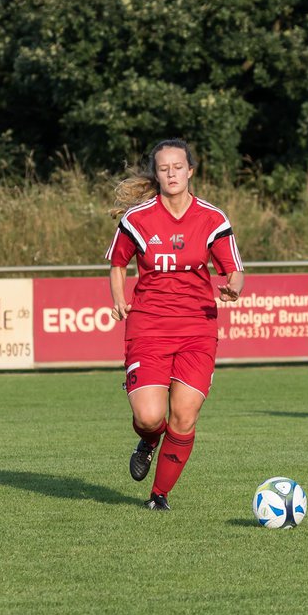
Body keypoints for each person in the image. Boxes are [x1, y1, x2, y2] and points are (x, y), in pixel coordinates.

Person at [105, 139, 244, 510]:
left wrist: (233, 285)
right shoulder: (137, 219)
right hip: (148, 327)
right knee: (150, 417)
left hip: (197, 329)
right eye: (164, 168)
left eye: (178, 167)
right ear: (157, 173)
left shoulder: (213, 219)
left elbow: (235, 269)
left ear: (190, 172)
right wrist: (119, 297)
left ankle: (159, 496)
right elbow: (118, 262)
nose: (171, 173)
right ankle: (149, 440)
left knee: (183, 416)